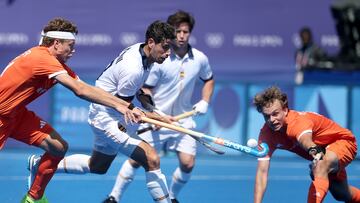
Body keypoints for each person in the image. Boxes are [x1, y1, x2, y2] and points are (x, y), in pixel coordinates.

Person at [27, 20, 176, 203]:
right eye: (165, 47)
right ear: (151, 42)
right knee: (152, 159)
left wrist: (156, 112)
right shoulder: (134, 69)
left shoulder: (143, 51)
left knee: (98, 166)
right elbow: (126, 109)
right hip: (108, 118)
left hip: (107, 112)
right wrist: (153, 119)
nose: (168, 53)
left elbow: (137, 92)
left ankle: (39, 164)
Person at [0, 18, 141, 203]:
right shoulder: (42, 58)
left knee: (58, 147)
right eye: (70, 45)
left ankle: (33, 198)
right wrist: (119, 106)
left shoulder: (55, 64)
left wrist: (127, 106)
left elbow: (89, 87)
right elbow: (80, 91)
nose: (73, 51)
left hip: (17, 114)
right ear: (56, 44)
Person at [103, 10, 214, 203]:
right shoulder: (159, 60)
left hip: (182, 121)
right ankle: (114, 197)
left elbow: (209, 79)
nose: (181, 36)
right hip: (155, 118)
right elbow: (145, 90)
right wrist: (156, 115)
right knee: (137, 159)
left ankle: (172, 197)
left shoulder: (200, 58)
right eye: (177, 31)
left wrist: (205, 100)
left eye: (185, 32)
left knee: (188, 164)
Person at [253, 86, 360, 203]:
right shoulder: (266, 135)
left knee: (320, 165)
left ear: (285, 110)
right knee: (341, 194)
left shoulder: (297, 122)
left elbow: (305, 139)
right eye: (267, 116)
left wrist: (313, 150)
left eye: (275, 114)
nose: (271, 120)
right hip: (325, 152)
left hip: (343, 142)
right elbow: (262, 173)